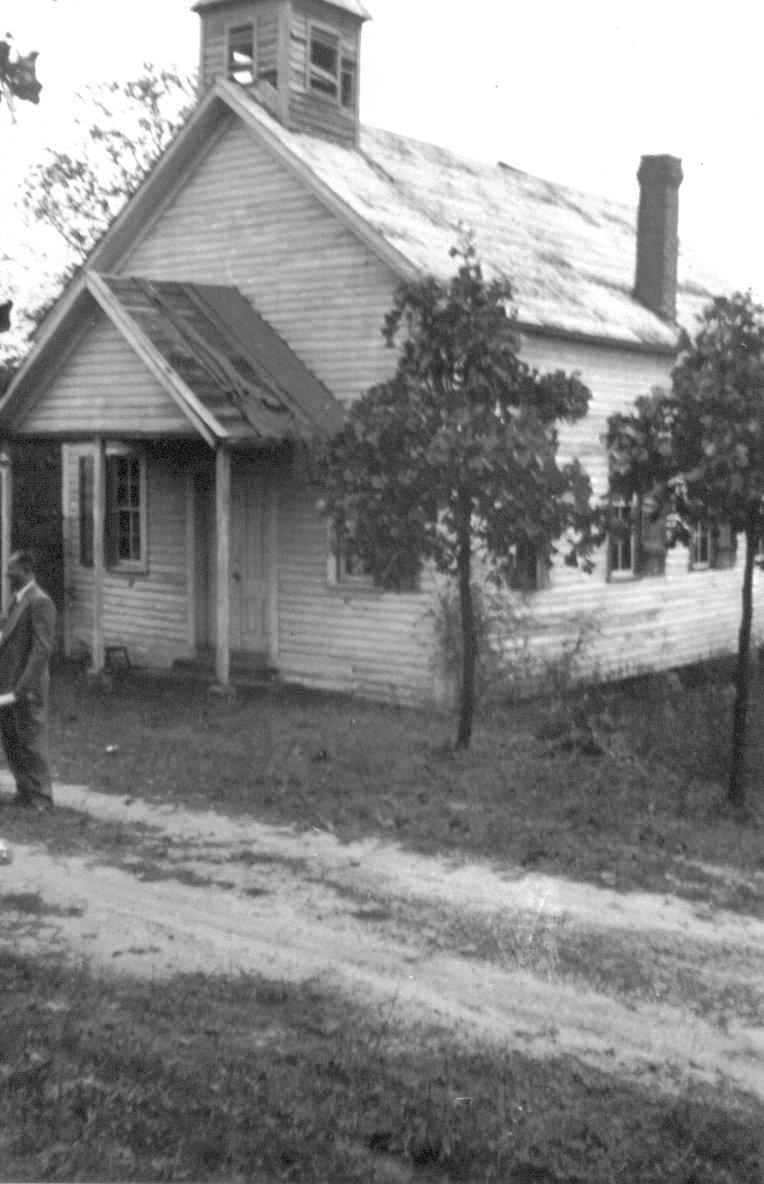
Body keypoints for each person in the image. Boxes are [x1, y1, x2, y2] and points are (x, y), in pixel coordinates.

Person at [0, 550, 57, 810]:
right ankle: (25, 791)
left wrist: (21, 689)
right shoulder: (16, 599)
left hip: (27, 686)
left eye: (12, 569)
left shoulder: (40, 601)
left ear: (26, 569)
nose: (7, 573)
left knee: (31, 740)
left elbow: (41, 650)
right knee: (12, 738)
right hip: (8, 682)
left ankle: (42, 797)